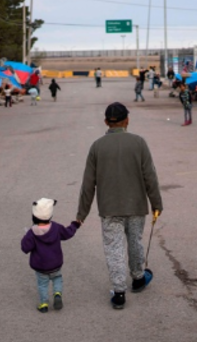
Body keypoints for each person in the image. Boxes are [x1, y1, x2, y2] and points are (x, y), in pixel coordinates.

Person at [76, 102, 163, 310]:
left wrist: (81, 214)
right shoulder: (139, 143)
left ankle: (119, 293)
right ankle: (138, 278)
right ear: (127, 120)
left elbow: (88, 183)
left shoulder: (97, 147)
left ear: (106, 122)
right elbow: (150, 176)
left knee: (114, 248)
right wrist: (157, 204)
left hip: (109, 209)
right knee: (135, 242)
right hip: (136, 206)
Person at [21, 198, 81, 313]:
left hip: (40, 266)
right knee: (57, 278)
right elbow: (68, 233)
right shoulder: (56, 228)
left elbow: (25, 248)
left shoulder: (32, 232)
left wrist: (25, 237)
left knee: (42, 284)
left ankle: (44, 304)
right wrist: (75, 225)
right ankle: (57, 294)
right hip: (56, 263)